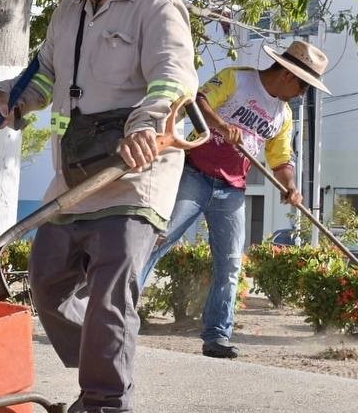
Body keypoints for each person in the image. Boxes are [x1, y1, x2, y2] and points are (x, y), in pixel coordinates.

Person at [0, 0, 197, 413]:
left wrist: (147, 126)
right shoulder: (68, 11)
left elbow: (175, 79)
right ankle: (105, 375)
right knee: (47, 281)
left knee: (109, 296)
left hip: (134, 173)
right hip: (75, 170)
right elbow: (46, 77)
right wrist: (13, 99)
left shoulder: (157, 4)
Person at [138, 40, 332, 359]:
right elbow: (198, 103)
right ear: (287, 74)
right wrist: (221, 124)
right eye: (303, 86)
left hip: (233, 190)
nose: (302, 94)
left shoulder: (283, 116)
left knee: (230, 263)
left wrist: (291, 187)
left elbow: (282, 158)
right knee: (158, 240)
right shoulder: (237, 79)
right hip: (194, 174)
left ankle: (217, 335)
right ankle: (120, 316)